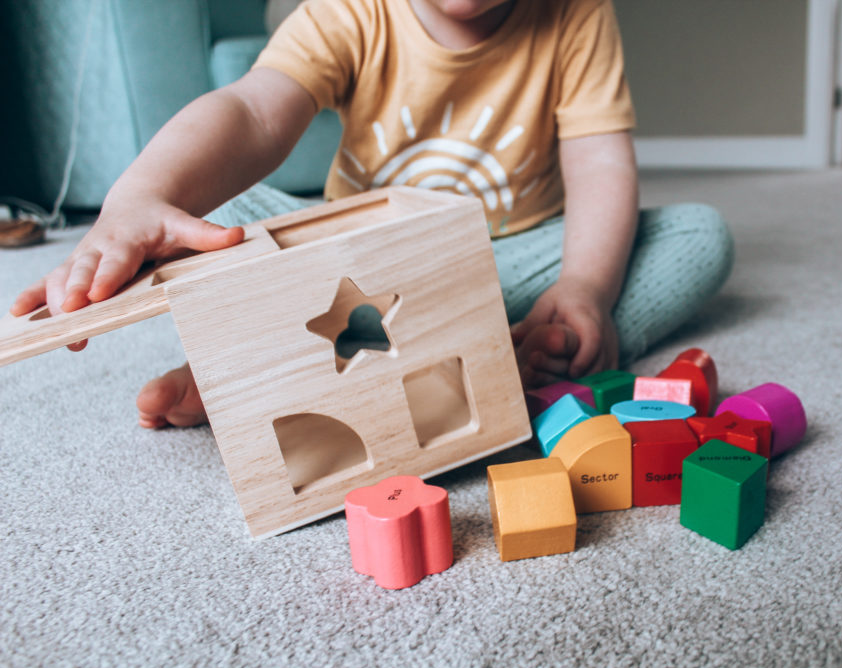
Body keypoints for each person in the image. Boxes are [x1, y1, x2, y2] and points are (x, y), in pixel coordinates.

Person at [9, 0, 733, 428]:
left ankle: (538, 343)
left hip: (512, 256)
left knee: (697, 235)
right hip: (361, 267)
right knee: (226, 211)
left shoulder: (577, 12)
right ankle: (270, 364)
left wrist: (584, 288)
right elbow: (253, 111)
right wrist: (140, 198)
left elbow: (601, 163)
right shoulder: (353, 8)